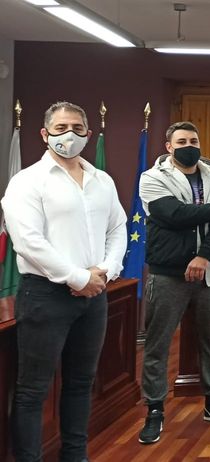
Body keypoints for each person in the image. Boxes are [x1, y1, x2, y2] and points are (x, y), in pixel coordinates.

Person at [2, 101, 126, 462]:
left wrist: (104, 272)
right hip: (45, 296)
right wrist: (78, 277)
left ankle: (75, 455)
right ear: (44, 134)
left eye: (76, 127)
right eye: (60, 128)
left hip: (94, 295)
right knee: (33, 390)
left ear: (88, 134)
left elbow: (117, 228)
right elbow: (29, 242)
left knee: (80, 383)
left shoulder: (102, 180)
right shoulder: (27, 181)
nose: (69, 134)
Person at [137, 121, 210, 444]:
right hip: (169, 274)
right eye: (181, 141)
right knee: (157, 344)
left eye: (193, 141)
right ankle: (155, 409)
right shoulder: (152, 178)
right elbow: (174, 215)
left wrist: (204, 256)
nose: (189, 146)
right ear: (169, 146)